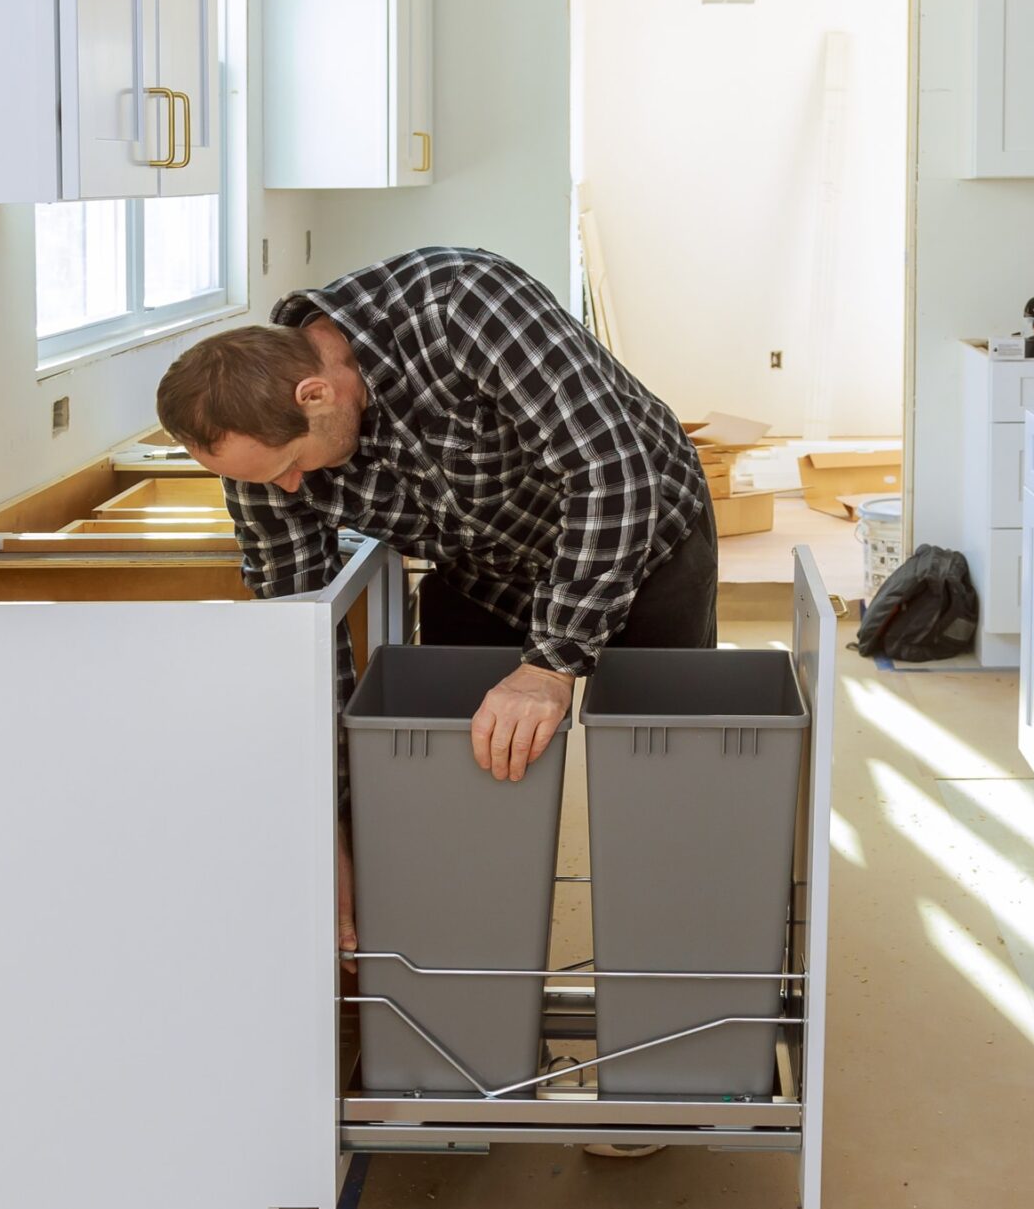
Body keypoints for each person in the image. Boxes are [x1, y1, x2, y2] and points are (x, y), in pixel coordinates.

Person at [155, 244, 716, 950]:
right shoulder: (263, 459)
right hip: (486, 570)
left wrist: (549, 666)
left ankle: (669, 963)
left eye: (293, 466)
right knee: (467, 785)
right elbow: (300, 634)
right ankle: (482, 978)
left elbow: (610, 475)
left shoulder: (462, 306)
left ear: (316, 395)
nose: (289, 489)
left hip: (645, 537)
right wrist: (331, 824)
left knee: (663, 776)